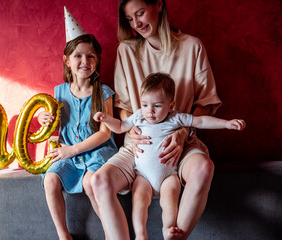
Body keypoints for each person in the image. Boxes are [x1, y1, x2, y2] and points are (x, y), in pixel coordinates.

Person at [90, 0, 223, 239]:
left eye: (140, 13)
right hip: (138, 144)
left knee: (204, 168)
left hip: (179, 142)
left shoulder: (192, 47)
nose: (137, 24)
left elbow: (206, 103)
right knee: (99, 181)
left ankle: (175, 236)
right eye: (130, 19)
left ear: (158, 5)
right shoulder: (126, 51)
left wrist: (182, 133)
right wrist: (130, 130)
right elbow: (122, 107)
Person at [93, 72, 245, 239]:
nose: (149, 111)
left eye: (157, 106)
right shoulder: (139, 116)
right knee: (139, 202)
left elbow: (201, 121)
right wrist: (107, 119)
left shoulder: (176, 118)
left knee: (169, 202)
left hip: (168, 175)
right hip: (142, 175)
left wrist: (227, 124)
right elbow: (121, 126)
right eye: (144, 105)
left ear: (171, 106)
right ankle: (140, 234)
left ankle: (168, 229)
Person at [38, 33, 118, 240]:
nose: (85, 61)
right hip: (69, 155)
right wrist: (42, 117)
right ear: (67, 60)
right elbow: (51, 120)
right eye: (78, 56)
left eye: (91, 56)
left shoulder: (104, 93)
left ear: (97, 60)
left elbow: (105, 133)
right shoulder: (59, 92)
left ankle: (113, 234)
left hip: (97, 152)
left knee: (91, 183)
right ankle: (64, 235)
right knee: (50, 180)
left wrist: (72, 150)